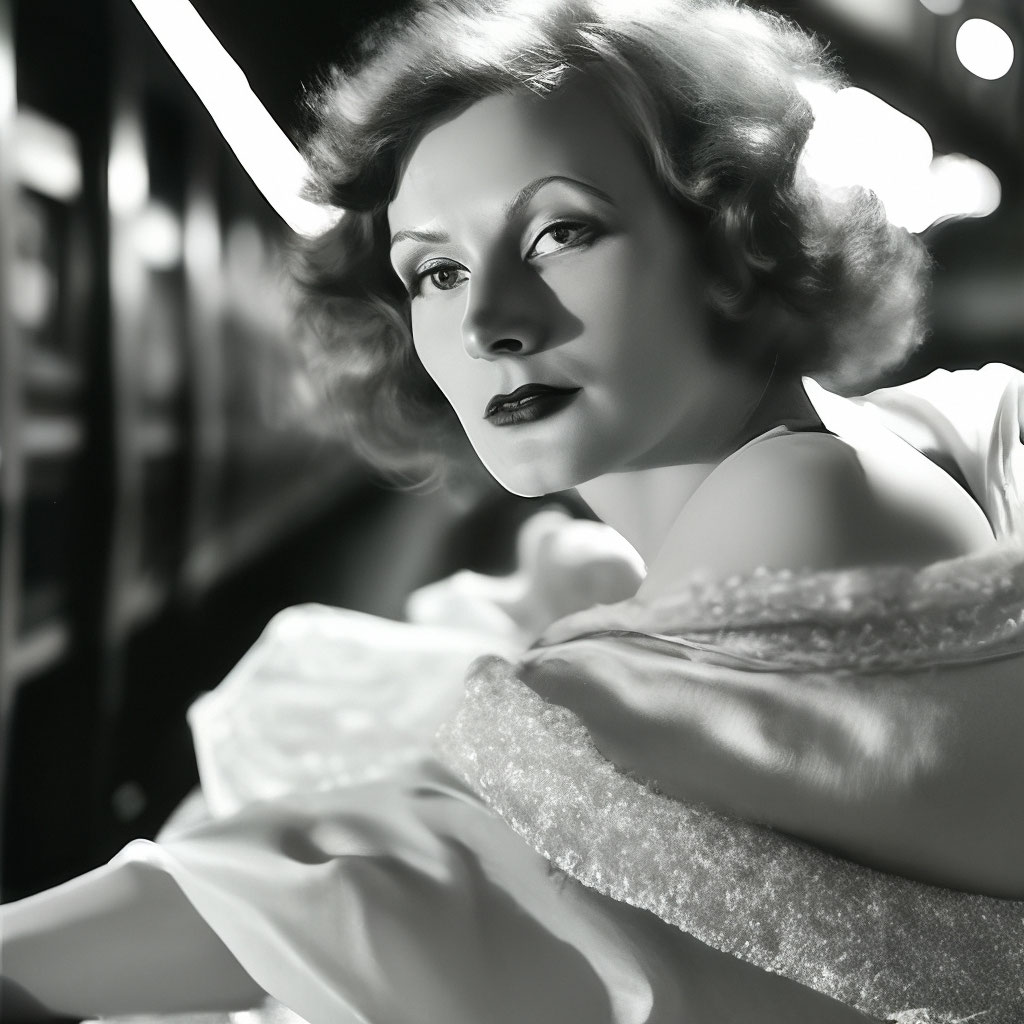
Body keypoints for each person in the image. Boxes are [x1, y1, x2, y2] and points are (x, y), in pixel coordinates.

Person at [3, 0, 1023, 1021]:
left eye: (559, 232)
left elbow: (429, 862)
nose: (487, 321)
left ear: (732, 242)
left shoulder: (802, 500)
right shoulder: (849, 454)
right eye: (437, 271)